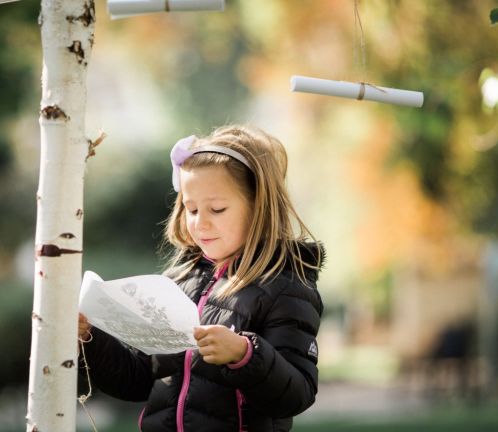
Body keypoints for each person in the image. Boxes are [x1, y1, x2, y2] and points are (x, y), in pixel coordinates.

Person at [78, 125, 324, 431]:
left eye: (217, 209)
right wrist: (91, 338)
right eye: (191, 209)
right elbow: (139, 380)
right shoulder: (179, 281)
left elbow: (296, 394)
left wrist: (244, 355)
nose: (200, 222)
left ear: (259, 207)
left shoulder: (286, 286)